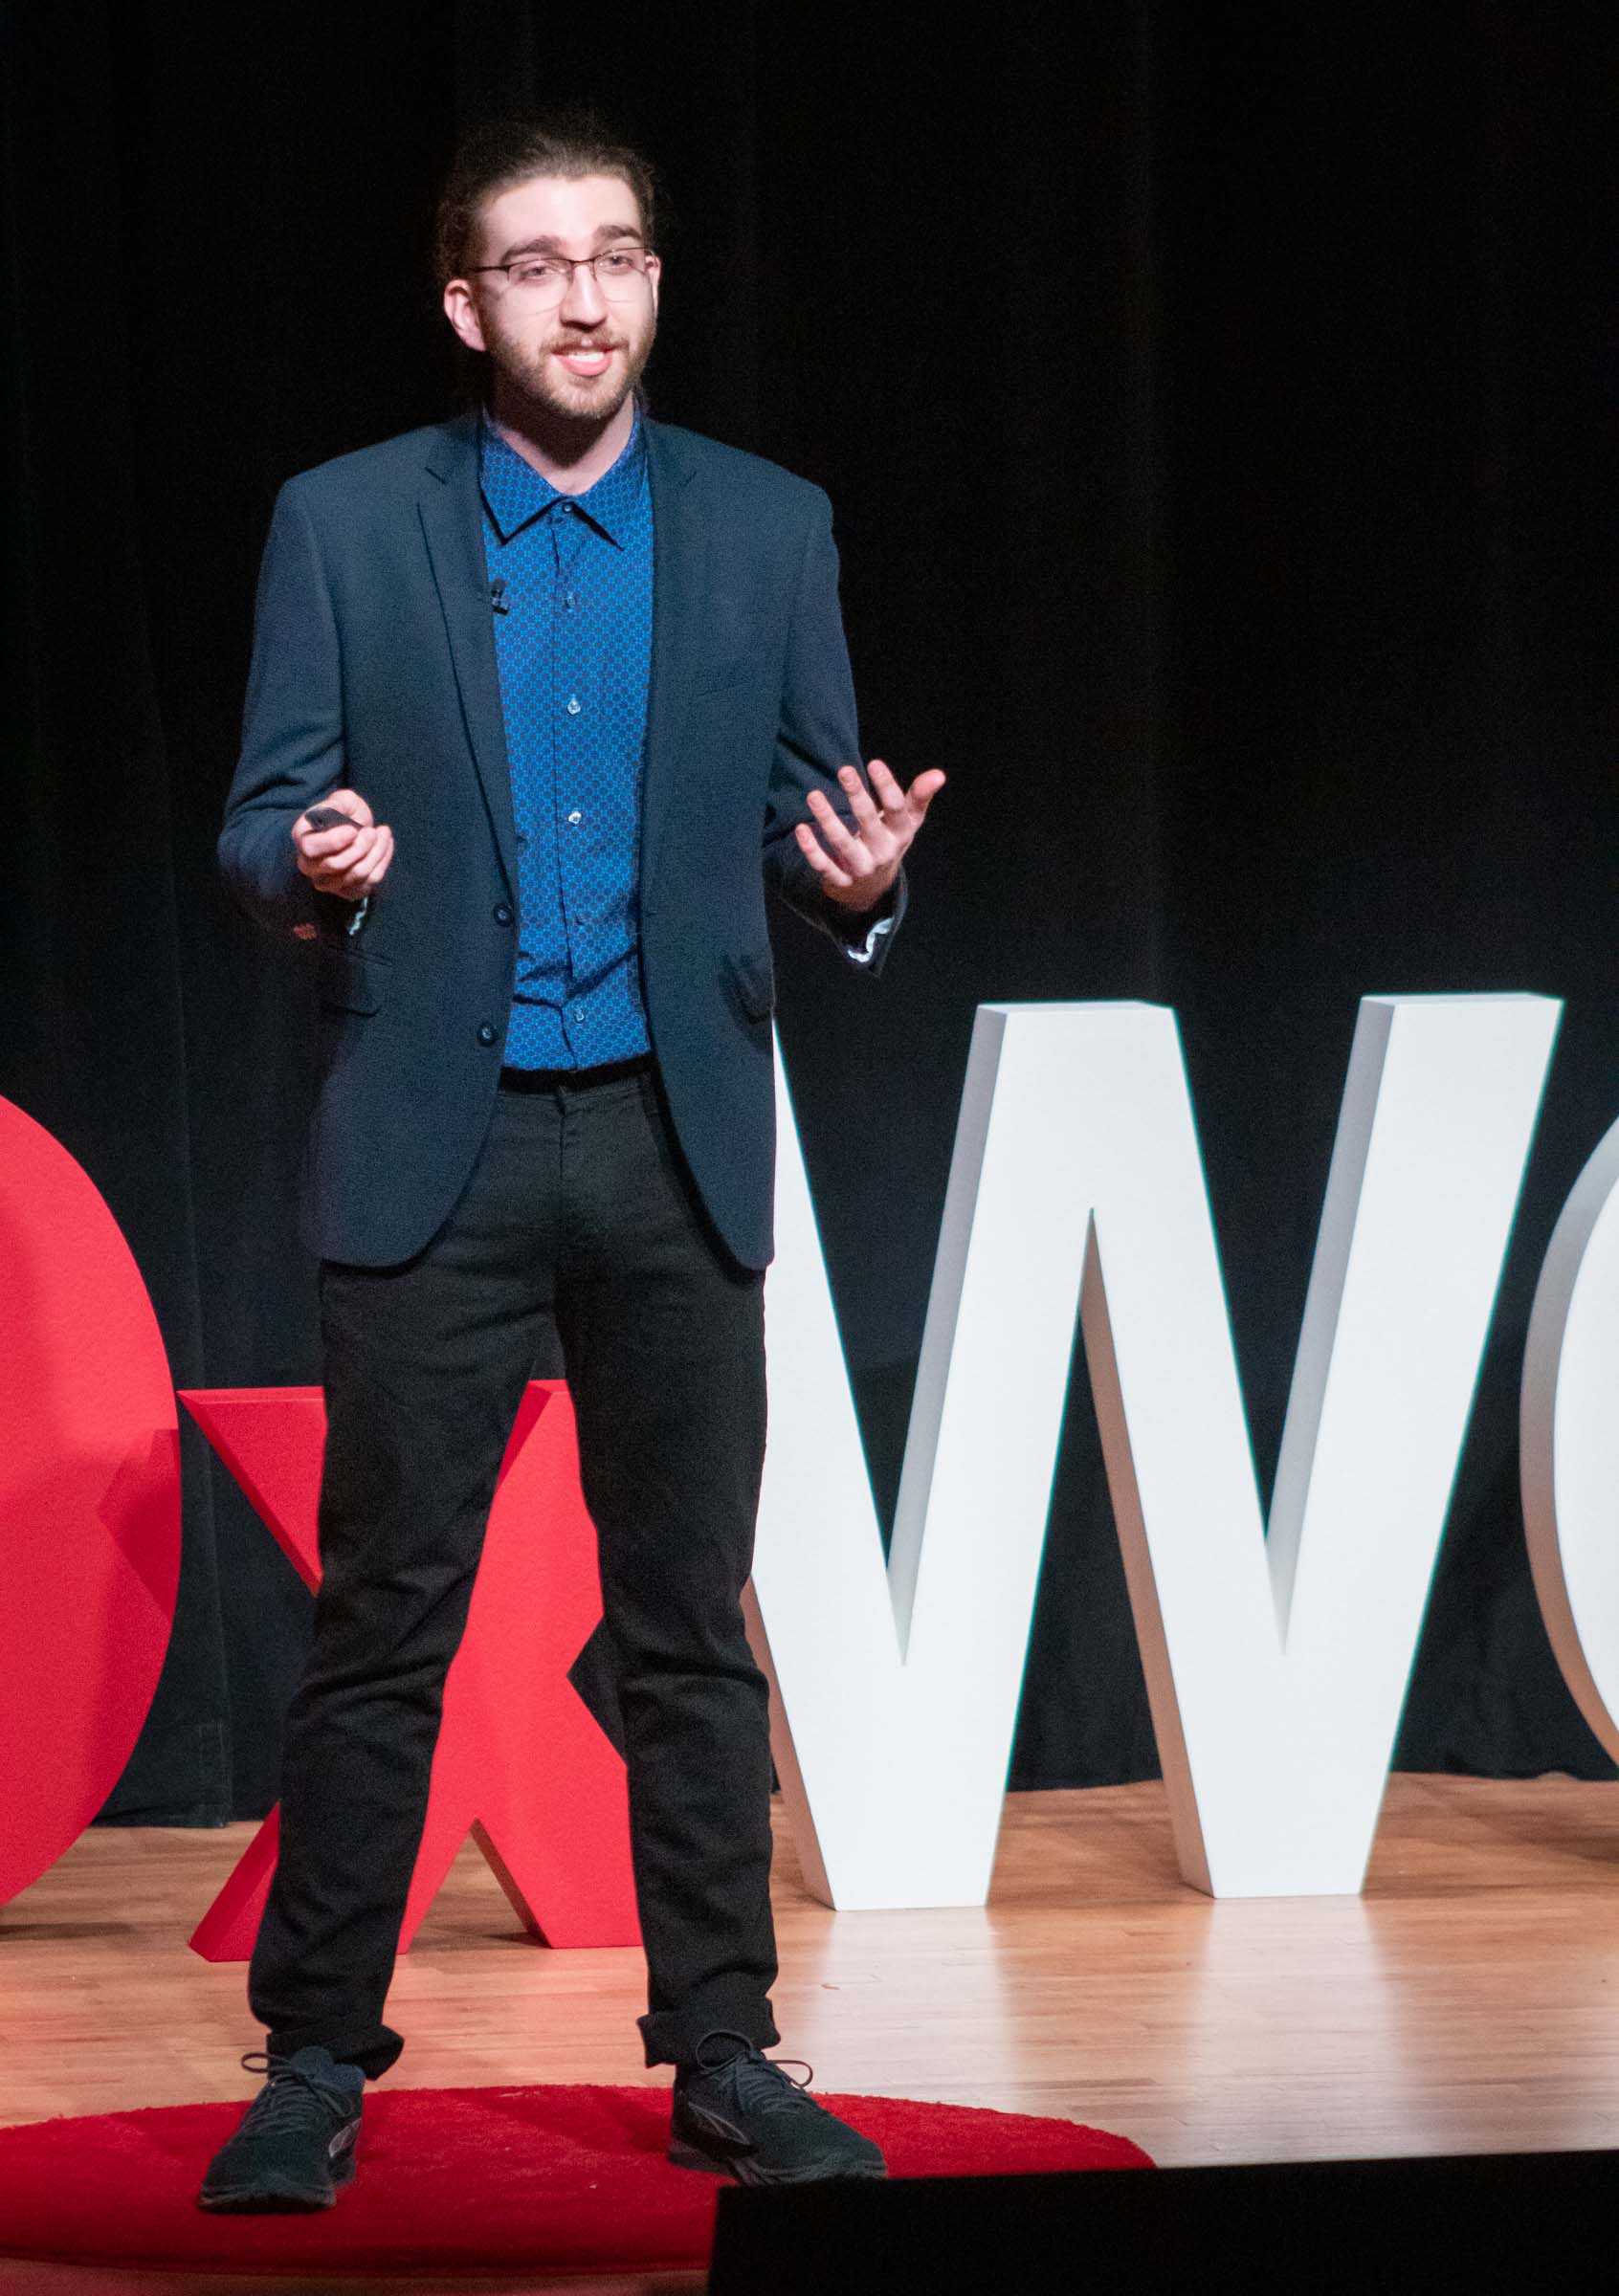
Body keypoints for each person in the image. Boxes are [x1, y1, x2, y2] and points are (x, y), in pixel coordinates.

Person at [199, 113, 944, 2212]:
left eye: (616, 257)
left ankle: (723, 2046)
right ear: (468, 304)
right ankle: (314, 2062)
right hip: (433, 1139)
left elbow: (825, 817)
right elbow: (260, 816)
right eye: (538, 265)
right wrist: (313, 869)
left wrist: (864, 885)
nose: (588, 297)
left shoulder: (767, 527)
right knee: (385, 1624)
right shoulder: (343, 529)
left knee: (689, 1627)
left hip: (670, 1132)